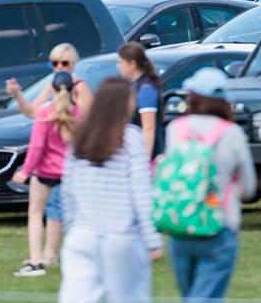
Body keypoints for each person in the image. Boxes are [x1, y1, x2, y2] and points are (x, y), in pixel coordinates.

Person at [157, 67, 255, 303]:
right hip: (219, 224)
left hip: (181, 222)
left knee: (190, 295)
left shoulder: (175, 129)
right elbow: (249, 187)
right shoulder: (232, 133)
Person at [58, 78, 160, 303]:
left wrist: (72, 227)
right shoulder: (131, 137)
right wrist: (152, 238)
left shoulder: (79, 137)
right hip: (120, 236)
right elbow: (140, 192)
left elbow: (67, 191)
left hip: (81, 236)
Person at [13, 70, 78, 276]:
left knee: (35, 213)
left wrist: (26, 170)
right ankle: (75, 258)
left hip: (45, 172)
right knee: (73, 217)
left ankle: (35, 261)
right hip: (69, 172)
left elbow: (37, 147)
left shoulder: (45, 113)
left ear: (52, 88)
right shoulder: (78, 114)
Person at [116, 42, 161, 156]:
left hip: (146, 157)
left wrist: (145, 159)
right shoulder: (134, 86)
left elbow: (148, 128)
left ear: (132, 64)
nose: (118, 66)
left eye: (121, 62)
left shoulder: (146, 90)